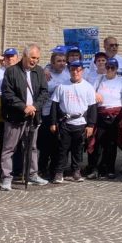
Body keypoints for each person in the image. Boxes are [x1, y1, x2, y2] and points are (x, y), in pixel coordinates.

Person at [0, 44, 49, 191]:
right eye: (33, 57)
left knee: (32, 147)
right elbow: (7, 94)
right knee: (9, 148)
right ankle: (7, 177)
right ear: (25, 56)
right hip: (15, 117)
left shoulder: (39, 71)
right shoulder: (11, 71)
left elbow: (44, 92)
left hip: (32, 116)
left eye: (37, 58)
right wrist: (23, 107)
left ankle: (32, 174)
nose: (35, 61)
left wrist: (35, 106)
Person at [50, 60, 97, 183]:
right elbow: (54, 105)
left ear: (82, 71)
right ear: (69, 71)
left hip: (80, 123)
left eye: (78, 70)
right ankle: (59, 172)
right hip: (65, 122)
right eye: (72, 70)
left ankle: (76, 171)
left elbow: (92, 108)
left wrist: (91, 125)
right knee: (62, 149)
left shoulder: (88, 87)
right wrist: (53, 122)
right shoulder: (62, 86)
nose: (75, 72)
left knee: (78, 149)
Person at [39, 49, 71, 180]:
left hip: (61, 114)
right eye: (59, 61)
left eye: (64, 61)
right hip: (47, 113)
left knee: (59, 144)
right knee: (45, 143)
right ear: (52, 63)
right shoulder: (46, 74)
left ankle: (55, 169)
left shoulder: (68, 75)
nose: (62, 63)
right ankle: (42, 168)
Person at [93, 58, 122, 177]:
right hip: (101, 113)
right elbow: (90, 92)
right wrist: (95, 93)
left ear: (116, 69)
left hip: (116, 115)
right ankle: (98, 168)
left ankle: (110, 169)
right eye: (108, 67)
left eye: (113, 68)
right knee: (99, 142)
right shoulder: (99, 79)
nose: (110, 70)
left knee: (112, 143)